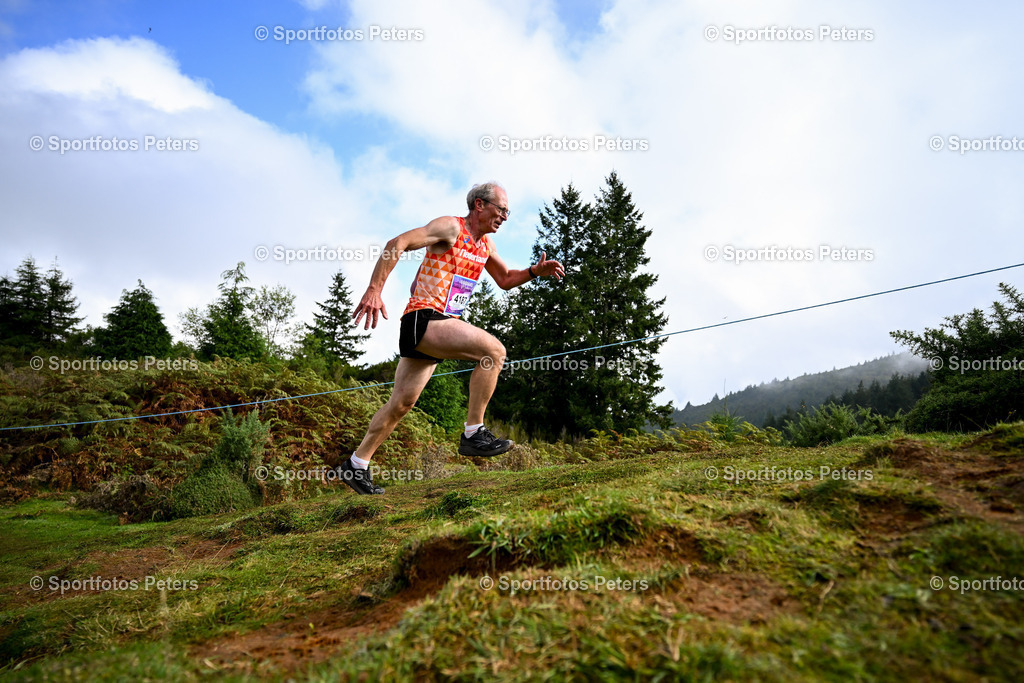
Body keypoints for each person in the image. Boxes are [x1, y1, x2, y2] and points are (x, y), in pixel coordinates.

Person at [339, 182, 565, 495]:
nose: (505, 217)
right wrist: (374, 289)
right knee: (494, 352)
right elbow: (398, 242)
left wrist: (533, 272)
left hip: (437, 327)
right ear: (480, 205)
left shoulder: (485, 246)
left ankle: (356, 464)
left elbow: (505, 279)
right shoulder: (450, 228)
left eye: (508, 212)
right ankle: (474, 432)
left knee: (401, 403)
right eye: (501, 210)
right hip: (425, 319)